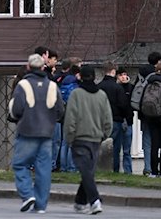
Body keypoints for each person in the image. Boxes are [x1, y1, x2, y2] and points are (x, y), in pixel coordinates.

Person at [9, 53, 64, 214]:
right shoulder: (53, 86)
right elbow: (60, 110)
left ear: (28, 67)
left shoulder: (23, 85)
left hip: (27, 131)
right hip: (47, 132)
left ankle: (27, 195)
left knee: (20, 164)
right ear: (42, 67)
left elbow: (16, 109)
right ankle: (40, 205)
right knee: (44, 169)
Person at [65, 65, 113, 215]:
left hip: (80, 138)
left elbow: (70, 118)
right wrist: (104, 134)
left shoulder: (76, 94)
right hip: (96, 139)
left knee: (86, 171)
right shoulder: (101, 95)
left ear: (80, 76)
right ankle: (80, 202)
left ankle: (94, 200)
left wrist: (69, 137)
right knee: (88, 171)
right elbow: (108, 119)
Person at [97, 62, 129, 174]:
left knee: (101, 146)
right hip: (116, 119)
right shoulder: (117, 88)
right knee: (115, 148)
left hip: (101, 120)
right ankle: (114, 170)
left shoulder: (98, 87)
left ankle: (101, 168)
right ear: (113, 72)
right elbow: (123, 105)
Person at [137, 51, 161, 175]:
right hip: (157, 113)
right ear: (158, 61)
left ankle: (147, 168)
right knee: (159, 141)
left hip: (144, 112)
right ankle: (159, 167)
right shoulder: (158, 76)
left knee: (146, 141)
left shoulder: (141, 74)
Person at [116, 65, 134, 174]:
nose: (123, 77)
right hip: (118, 120)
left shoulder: (130, 88)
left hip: (128, 120)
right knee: (116, 148)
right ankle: (116, 169)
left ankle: (128, 171)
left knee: (127, 149)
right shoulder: (115, 88)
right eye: (121, 75)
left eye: (125, 75)